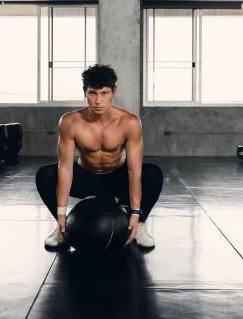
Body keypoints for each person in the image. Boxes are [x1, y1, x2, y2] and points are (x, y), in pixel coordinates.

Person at [36, 64, 163, 249]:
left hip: (117, 178)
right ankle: (61, 228)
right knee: (45, 175)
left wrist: (135, 213)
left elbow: (133, 169)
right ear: (84, 92)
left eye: (104, 93)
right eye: (93, 93)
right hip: (85, 178)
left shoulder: (129, 122)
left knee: (152, 174)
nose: (98, 101)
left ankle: (140, 226)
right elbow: (66, 167)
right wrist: (62, 213)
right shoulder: (70, 122)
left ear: (114, 91)